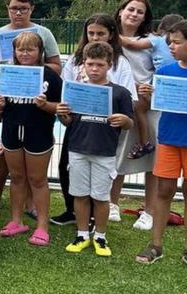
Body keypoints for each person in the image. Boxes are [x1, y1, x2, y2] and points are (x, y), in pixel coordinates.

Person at [52, 13, 137, 226]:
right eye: (91, 33)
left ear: (111, 35)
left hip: (104, 128)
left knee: (99, 171)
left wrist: (119, 116)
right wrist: (64, 110)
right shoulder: (76, 59)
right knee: (67, 166)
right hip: (78, 124)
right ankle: (72, 210)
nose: (95, 37)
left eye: (101, 33)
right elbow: (67, 88)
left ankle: (94, 216)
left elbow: (127, 96)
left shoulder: (120, 62)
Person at [136, 19, 187, 274]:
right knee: (163, 190)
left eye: (176, 42)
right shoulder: (165, 73)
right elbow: (155, 104)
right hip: (169, 139)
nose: (171, 47)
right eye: (169, 42)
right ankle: (155, 245)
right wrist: (148, 94)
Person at [57, 42, 134, 257]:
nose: (94, 69)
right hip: (78, 149)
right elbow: (67, 121)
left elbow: (131, 123)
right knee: (79, 195)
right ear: (83, 64)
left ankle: (100, 236)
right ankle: (82, 234)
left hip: (105, 151)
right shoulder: (74, 90)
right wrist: (62, 115)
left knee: (101, 197)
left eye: (100, 65)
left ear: (109, 65)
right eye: (90, 64)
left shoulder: (120, 93)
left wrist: (124, 119)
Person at [0, 32, 61, 246]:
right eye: (20, 49)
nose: (24, 53)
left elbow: (61, 107)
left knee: (38, 180)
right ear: (14, 52)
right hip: (12, 130)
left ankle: (42, 226)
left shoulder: (49, 76)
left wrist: (45, 105)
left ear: (40, 52)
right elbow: (0, 110)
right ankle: (16, 220)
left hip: (38, 131)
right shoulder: (7, 73)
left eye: (30, 49)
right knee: (17, 177)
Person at [112, 0, 160, 230]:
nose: (134, 14)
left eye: (140, 12)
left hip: (147, 106)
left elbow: (164, 71)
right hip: (120, 107)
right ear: (121, 11)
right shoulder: (107, 38)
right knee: (117, 154)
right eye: (130, 9)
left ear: (145, 17)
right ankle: (111, 203)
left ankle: (149, 211)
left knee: (152, 159)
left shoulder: (153, 41)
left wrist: (153, 89)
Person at [121, 13, 183, 160]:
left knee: (139, 107)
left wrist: (112, 33)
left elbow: (131, 44)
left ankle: (144, 142)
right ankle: (146, 142)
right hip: (174, 81)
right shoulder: (178, 43)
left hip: (160, 81)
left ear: (161, 29)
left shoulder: (157, 40)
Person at [0, 0, 62, 74]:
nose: (18, 13)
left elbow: (57, 68)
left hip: (36, 84)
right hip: (5, 85)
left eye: (23, 9)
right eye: (14, 8)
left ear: (31, 9)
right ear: (7, 8)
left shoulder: (44, 33)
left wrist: (35, 66)